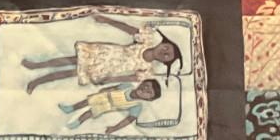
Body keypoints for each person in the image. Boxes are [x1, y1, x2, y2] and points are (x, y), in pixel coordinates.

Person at [22, 19, 183, 93]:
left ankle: (37, 82)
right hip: (102, 53)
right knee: (68, 60)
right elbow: (126, 28)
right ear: (163, 43)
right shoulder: (147, 40)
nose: (164, 52)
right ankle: (36, 65)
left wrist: (109, 80)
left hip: (104, 69)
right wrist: (106, 20)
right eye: (166, 48)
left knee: (69, 73)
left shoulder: (147, 69)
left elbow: (129, 78)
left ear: (164, 62)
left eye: (166, 56)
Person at [59, 78, 163, 134]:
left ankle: (77, 122)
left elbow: (127, 120)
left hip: (108, 106)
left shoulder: (137, 106)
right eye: (146, 86)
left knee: (90, 113)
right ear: (142, 82)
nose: (145, 89)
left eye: (149, 92)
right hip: (104, 96)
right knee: (86, 102)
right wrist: (105, 89)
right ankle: (71, 108)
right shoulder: (128, 86)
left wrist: (114, 128)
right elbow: (115, 88)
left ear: (149, 99)